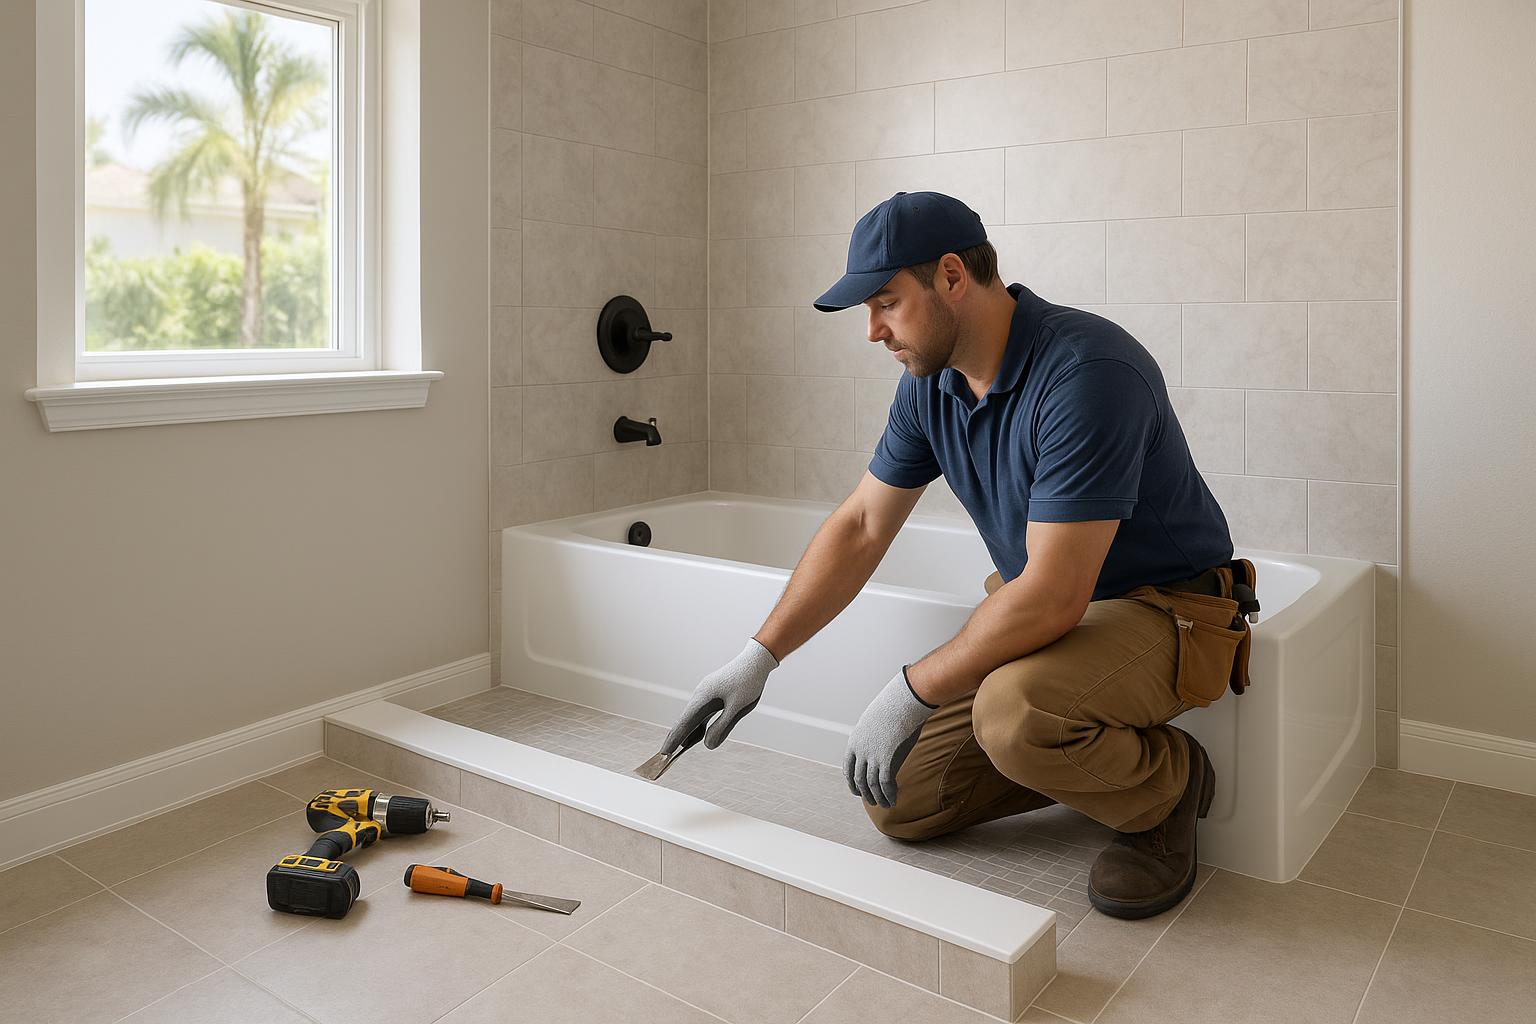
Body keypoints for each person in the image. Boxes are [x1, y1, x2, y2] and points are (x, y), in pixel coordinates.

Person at [656, 191, 1255, 921]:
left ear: (950, 275)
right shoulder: (929, 385)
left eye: (885, 303)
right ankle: (1071, 749)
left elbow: (1052, 597)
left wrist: (910, 690)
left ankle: (1166, 787)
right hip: (1055, 607)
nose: (872, 331)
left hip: (1167, 609)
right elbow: (862, 527)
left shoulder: (1088, 371)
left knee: (1015, 711)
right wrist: (758, 658)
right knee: (900, 800)